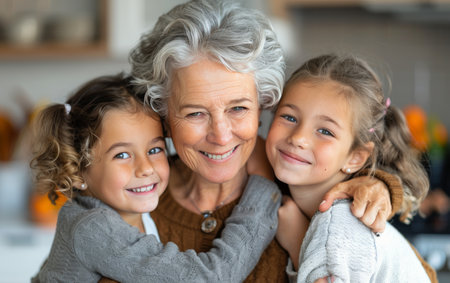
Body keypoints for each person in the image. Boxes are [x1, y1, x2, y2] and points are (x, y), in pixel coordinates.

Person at [102, 1, 415, 282]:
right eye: (196, 113)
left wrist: (379, 185)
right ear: (164, 116)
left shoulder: (308, 192)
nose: (221, 136)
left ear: (263, 105)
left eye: (238, 108)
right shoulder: (128, 196)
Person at [30, 73, 284, 282]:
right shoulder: (92, 227)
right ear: (76, 170)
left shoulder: (129, 212)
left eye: (154, 150)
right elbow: (210, 278)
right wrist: (263, 188)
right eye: (122, 155)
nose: (145, 168)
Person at [267, 54, 437, 282]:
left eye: (325, 131)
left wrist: (297, 240)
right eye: (289, 117)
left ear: (355, 158)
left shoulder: (341, 224)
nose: (299, 138)